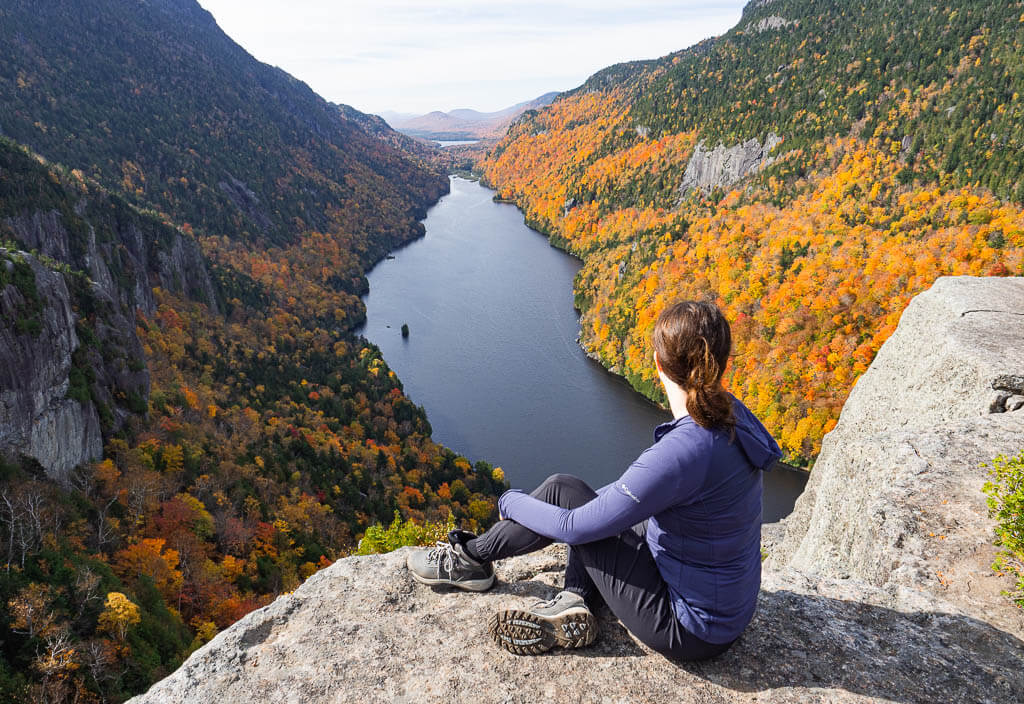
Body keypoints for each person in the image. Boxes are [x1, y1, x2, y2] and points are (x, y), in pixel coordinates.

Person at [406, 300, 781, 660]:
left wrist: (508, 500)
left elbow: (572, 527)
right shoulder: (730, 414)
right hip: (725, 606)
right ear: (723, 364)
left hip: (688, 629)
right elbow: (610, 507)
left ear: (658, 365)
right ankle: (573, 597)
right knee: (571, 494)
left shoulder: (685, 451)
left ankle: (470, 560)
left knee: (567, 498)